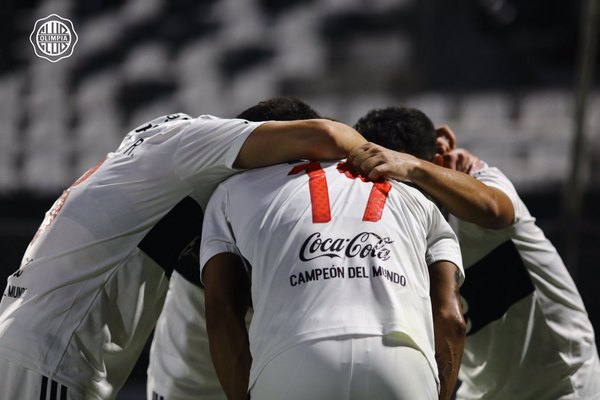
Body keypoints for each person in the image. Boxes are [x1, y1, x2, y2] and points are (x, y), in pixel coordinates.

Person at [0, 99, 367, 400]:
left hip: (36, 348)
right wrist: (397, 164)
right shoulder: (189, 142)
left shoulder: (152, 166)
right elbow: (327, 136)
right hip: (50, 357)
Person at [350, 106, 600, 399]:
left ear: (436, 163)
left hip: (562, 383)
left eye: (400, 179)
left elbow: (494, 209)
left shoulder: (478, 179)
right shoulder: (389, 231)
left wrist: (414, 168)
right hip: (482, 392)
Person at [200, 148, 466, 398]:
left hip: (292, 360)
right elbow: (450, 319)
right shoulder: (418, 201)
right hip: (403, 363)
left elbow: (220, 309)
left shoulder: (233, 189)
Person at [146, 97, 324, 400]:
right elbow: (224, 309)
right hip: (190, 383)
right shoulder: (205, 200)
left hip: (278, 373)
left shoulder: (329, 201)